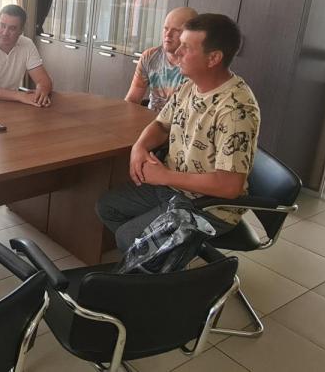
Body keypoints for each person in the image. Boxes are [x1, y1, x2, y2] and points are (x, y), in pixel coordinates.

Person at [96, 14, 261, 252]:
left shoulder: (235, 110)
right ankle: (159, 256)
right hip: (173, 187)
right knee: (107, 207)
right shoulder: (190, 86)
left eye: (187, 47)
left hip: (208, 207)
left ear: (213, 58)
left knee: (128, 237)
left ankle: (155, 259)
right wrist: (140, 147)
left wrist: (164, 176)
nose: (177, 51)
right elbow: (161, 125)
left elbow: (229, 186)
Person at [0, 4, 54, 106]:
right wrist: (20, 96)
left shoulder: (27, 44)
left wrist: (42, 91)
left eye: (12, 28)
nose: (5, 33)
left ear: (21, 30)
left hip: (9, 103)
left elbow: (44, 81)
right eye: (2, 25)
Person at [125, 7, 198, 112]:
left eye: (176, 30)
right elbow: (132, 100)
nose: (168, 34)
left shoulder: (196, 63)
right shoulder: (149, 56)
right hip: (151, 117)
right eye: (166, 28)